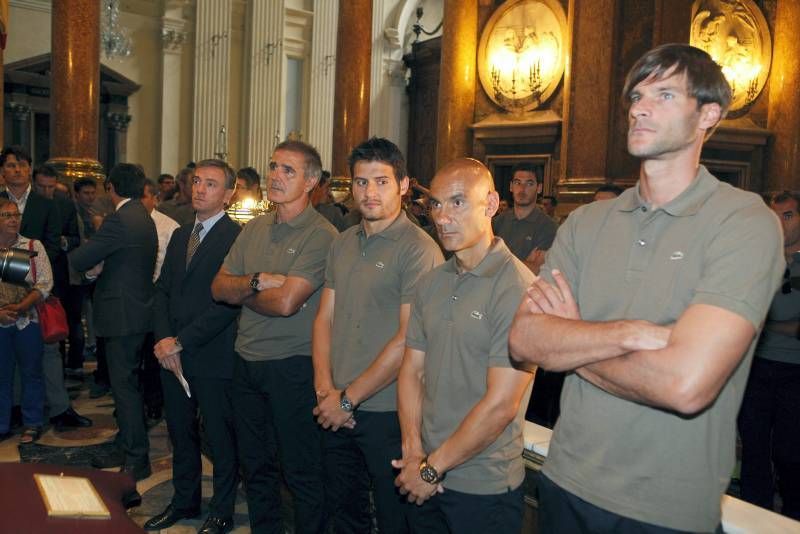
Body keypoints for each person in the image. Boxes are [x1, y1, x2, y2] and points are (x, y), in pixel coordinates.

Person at [508, 43, 784, 533]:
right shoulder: (586, 222)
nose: (639, 107)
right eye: (636, 96)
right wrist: (632, 333)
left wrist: (573, 338)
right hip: (565, 482)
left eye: (663, 95)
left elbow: (686, 386)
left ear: (709, 115)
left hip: (664, 509)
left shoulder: (744, 222)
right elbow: (525, 340)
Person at [393, 158, 535, 533]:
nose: (442, 217)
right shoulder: (432, 282)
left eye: (457, 202)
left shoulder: (517, 287)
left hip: (483, 483)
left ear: (489, 205)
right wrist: (412, 452)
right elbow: (412, 371)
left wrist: (430, 467)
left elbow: (501, 404)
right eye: (436, 204)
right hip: (424, 469)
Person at [312, 138, 443, 533]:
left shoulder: (419, 249)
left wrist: (349, 399)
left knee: (394, 519)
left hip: (388, 412)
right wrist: (326, 392)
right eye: (361, 182)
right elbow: (324, 320)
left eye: (381, 181)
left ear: (403, 185)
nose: (370, 192)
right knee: (343, 513)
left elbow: (407, 339)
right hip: (334, 405)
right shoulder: (343, 242)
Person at [212, 140, 337, 533]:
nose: (275, 177)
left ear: (311, 181)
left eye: (288, 170)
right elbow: (218, 287)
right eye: (273, 167)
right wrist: (256, 281)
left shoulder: (322, 234)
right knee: (256, 468)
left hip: (293, 366)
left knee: (301, 472)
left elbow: (286, 303)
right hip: (246, 362)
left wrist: (245, 292)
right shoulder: (255, 228)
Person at [144, 159, 242, 534]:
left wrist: (181, 341)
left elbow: (228, 304)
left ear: (229, 193)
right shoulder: (182, 234)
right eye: (197, 181)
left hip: (213, 354)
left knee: (219, 437)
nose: (200, 189)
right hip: (172, 356)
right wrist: (165, 340)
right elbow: (164, 290)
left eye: (211, 184)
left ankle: (222, 511)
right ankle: (184, 500)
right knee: (180, 432)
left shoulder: (236, 237)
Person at [69, 163, 158, 482]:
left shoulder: (119, 219)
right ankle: (126, 444)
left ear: (111, 188)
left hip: (121, 315)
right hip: (137, 311)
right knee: (128, 385)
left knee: (125, 389)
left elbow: (80, 259)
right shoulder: (143, 217)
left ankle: (136, 456)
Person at [1, 147, 91, 432]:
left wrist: (24, 280)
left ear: (30, 169)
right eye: (10, 165)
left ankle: (59, 408)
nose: (17, 170)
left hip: (39, 287)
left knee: (49, 351)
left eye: (22, 165)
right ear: (2, 171)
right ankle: (16, 410)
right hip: (2, 296)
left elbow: (52, 246)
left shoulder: (49, 203)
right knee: (8, 355)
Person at [737, 191, 800, 520]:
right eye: (774, 215)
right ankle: (751, 520)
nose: (780, 223)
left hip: (795, 371)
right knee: (753, 448)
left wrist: (764, 324)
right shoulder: (758, 259)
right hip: (756, 367)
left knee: (791, 454)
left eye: (788, 215)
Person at [0, 199, 50, 444]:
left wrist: (22, 306)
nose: (12, 219)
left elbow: (44, 283)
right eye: (6, 215)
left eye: (15, 214)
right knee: (1, 375)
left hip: (27, 320)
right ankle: (2, 424)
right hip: (0, 323)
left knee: (32, 372)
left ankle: (32, 423)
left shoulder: (31, 245)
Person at [33, 166, 82, 374]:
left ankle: (58, 370)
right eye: (41, 187)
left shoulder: (65, 205)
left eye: (50, 187)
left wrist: (64, 242)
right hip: (27, 269)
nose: (46, 192)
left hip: (57, 273)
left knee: (54, 323)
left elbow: (75, 238)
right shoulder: (29, 206)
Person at [138, 178, 180, 422]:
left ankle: (154, 402)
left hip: (158, 298)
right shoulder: (123, 223)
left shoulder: (169, 227)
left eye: (144, 196)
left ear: (154, 198)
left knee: (154, 356)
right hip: (134, 300)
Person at [492, 163, 558, 274]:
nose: (522, 189)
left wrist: (498, 262)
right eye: (518, 183)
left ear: (539, 188)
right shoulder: (497, 222)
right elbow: (482, 262)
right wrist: (524, 263)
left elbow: (537, 270)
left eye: (529, 183)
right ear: (511, 186)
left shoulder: (548, 227)